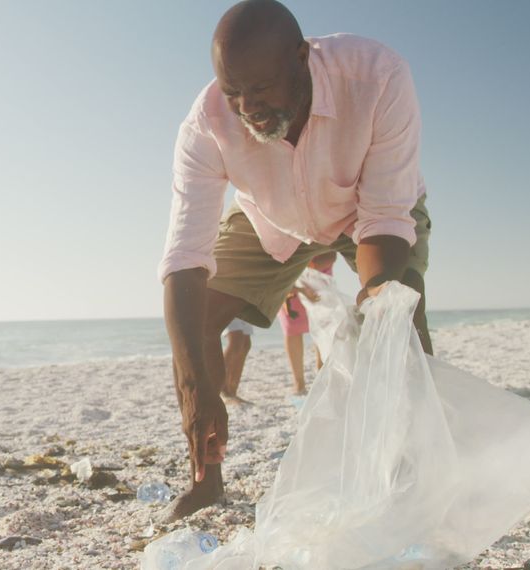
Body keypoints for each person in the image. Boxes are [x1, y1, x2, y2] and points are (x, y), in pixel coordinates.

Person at [159, 0, 434, 522]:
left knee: (402, 314)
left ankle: (417, 470)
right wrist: (198, 390)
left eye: (260, 89)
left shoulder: (377, 76)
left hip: (369, 210)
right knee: (199, 322)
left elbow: (384, 218)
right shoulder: (206, 124)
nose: (247, 107)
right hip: (274, 217)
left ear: (302, 58)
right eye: (233, 91)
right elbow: (184, 259)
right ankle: (206, 481)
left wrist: (377, 300)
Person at [277, 252, 336, 395]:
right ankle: (299, 383)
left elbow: (332, 255)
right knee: (292, 328)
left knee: (322, 327)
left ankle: (322, 375)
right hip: (289, 277)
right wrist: (299, 284)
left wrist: (307, 267)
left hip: (319, 280)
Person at [221, 319, 254, 405]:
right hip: (224, 305)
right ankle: (222, 391)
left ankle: (232, 392)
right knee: (236, 340)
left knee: (245, 344)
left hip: (244, 306)